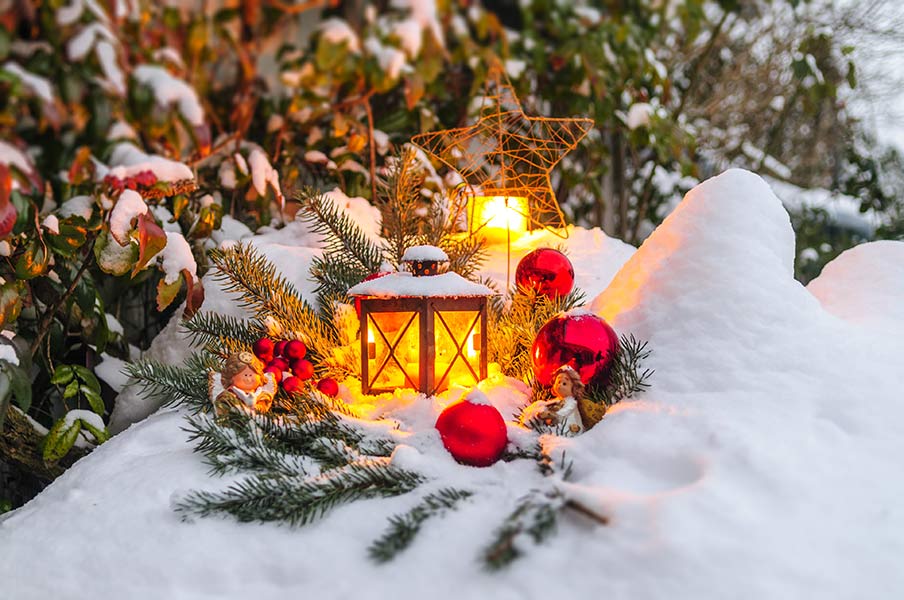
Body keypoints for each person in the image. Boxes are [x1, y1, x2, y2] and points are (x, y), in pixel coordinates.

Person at [520, 364, 585, 434]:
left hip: (568, 428)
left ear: (574, 388)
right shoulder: (558, 399)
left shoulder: (571, 402)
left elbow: (565, 412)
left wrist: (553, 416)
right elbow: (550, 404)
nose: (560, 385)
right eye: (558, 382)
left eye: (564, 384)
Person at [214, 351, 277, 416]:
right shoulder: (228, 395)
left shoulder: (262, 395)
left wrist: (257, 408)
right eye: (245, 375)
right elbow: (222, 408)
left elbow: (263, 407)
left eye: (252, 374)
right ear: (230, 377)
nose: (248, 378)